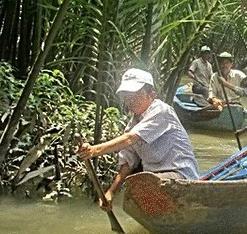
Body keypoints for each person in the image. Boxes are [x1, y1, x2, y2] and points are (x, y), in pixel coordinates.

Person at [76, 68, 199, 209]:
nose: (130, 101)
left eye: (136, 95)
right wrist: (110, 192)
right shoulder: (133, 124)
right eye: (127, 96)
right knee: (136, 185)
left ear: (151, 95)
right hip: (155, 179)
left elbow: (130, 139)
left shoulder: (161, 110)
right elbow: (128, 163)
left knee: (144, 184)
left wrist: (94, 150)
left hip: (181, 175)